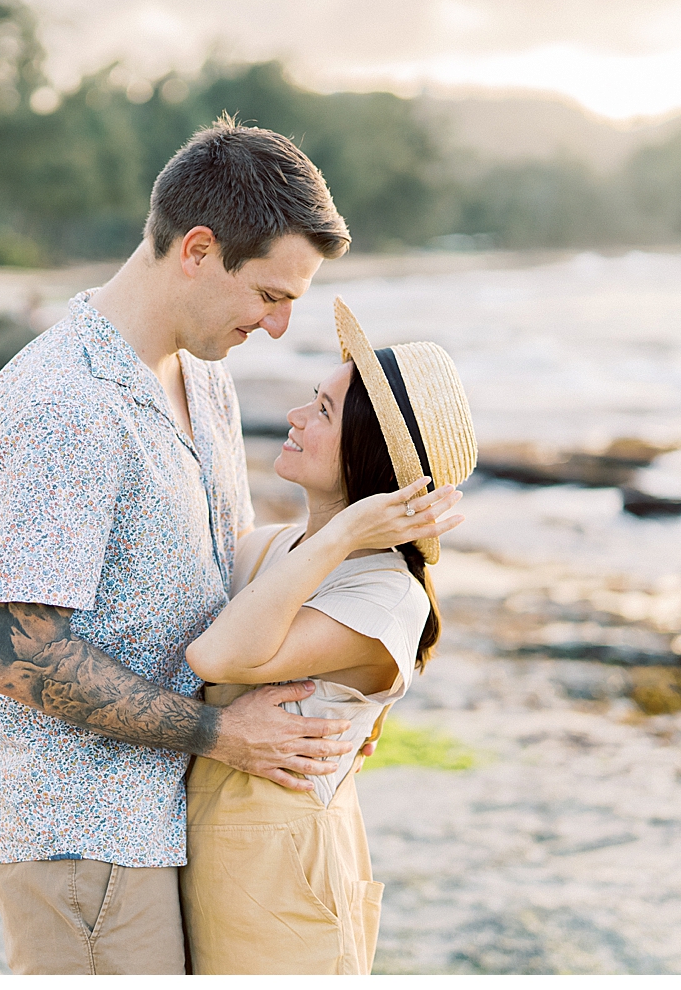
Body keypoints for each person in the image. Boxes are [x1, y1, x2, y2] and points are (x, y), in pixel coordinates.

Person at [0, 118, 368, 975]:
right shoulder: (66, 404)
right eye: (269, 294)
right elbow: (20, 653)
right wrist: (223, 733)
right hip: (82, 834)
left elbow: (213, 570)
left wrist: (313, 694)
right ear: (196, 249)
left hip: (157, 813)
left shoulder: (203, 374)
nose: (280, 325)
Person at [180, 296, 478, 974]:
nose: (295, 417)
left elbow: (217, 654)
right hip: (221, 865)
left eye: (322, 411)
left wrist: (347, 529)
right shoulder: (278, 550)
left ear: (366, 454)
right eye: (312, 399)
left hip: (285, 886)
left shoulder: (387, 595)